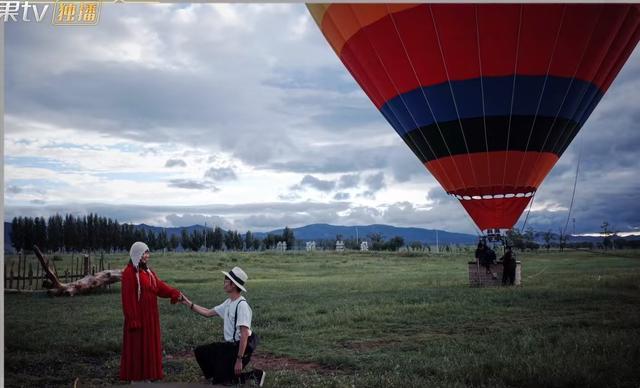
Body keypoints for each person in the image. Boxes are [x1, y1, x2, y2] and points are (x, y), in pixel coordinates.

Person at [181, 266, 265, 387]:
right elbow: (208, 312)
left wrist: (239, 360)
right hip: (229, 346)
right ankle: (220, 375)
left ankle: (255, 375)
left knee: (222, 380)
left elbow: (245, 335)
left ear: (233, 285)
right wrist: (188, 303)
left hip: (241, 348)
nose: (224, 283)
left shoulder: (242, 305)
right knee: (201, 352)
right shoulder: (229, 302)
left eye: (226, 280)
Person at [120, 241, 183, 382]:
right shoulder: (129, 273)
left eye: (147, 253)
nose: (146, 256)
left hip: (150, 317)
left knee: (148, 346)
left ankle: (146, 375)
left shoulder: (149, 273)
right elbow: (128, 299)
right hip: (138, 318)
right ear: (136, 254)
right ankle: (136, 378)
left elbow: (159, 287)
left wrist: (173, 292)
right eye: (143, 253)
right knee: (137, 346)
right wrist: (133, 319)